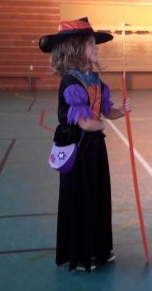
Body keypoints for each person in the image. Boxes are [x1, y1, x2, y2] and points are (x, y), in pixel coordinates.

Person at [39, 17, 132, 272]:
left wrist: (120, 111)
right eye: (91, 43)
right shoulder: (71, 82)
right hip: (77, 149)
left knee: (97, 195)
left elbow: (105, 111)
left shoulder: (94, 79)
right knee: (81, 199)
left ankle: (98, 249)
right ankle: (79, 254)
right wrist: (101, 125)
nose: (96, 47)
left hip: (94, 148)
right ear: (76, 49)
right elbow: (85, 123)